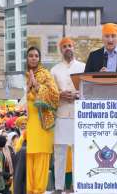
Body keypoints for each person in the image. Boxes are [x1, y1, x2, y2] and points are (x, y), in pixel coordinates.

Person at [50, 37, 85, 193]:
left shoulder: (84, 67)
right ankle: (58, 187)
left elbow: (89, 89)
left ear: (74, 47)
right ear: (61, 50)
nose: (67, 48)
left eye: (70, 45)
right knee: (60, 153)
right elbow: (50, 93)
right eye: (64, 46)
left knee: (79, 152)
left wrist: (77, 95)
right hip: (61, 114)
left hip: (79, 115)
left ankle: (77, 186)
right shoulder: (54, 69)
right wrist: (60, 95)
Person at [26, 46, 60, 194]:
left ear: (39, 59)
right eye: (30, 56)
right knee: (28, 155)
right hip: (27, 122)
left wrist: (37, 85)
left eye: (36, 56)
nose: (33, 58)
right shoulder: (24, 75)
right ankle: (28, 188)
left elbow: (55, 96)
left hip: (42, 122)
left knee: (40, 156)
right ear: (26, 58)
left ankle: (38, 190)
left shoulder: (45, 74)